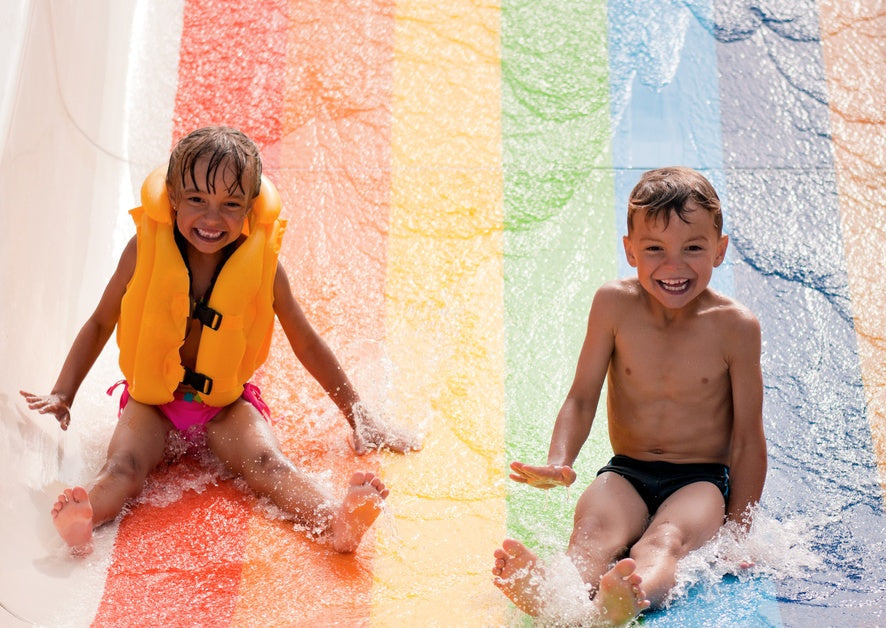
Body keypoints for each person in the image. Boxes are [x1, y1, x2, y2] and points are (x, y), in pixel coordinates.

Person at [21, 126, 419, 557]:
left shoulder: (264, 267)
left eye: (230, 205)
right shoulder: (144, 252)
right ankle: (86, 516)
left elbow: (306, 342)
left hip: (225, 406)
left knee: (269, 465)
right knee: (123, 466)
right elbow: (101, 321)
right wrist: (64, 392)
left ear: (250, 208)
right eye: (197, 200)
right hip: (152, 405)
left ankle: (335, 521)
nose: (212, 219)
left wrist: (357, 414)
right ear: (172, 197)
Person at [492, 167, 767, 625]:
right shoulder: (613, 305)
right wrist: (560, 460)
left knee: (665, 540)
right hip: (626, 472)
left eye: (693, 248)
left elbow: (748, 439)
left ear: (719, 250)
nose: (673, 266)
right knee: (591, 534)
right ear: (629, 250)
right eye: (655, 249)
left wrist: (737, 533)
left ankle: (625, 598)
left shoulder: (735, 327)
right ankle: (554, 596)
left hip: (698, 481)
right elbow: (581, 397)